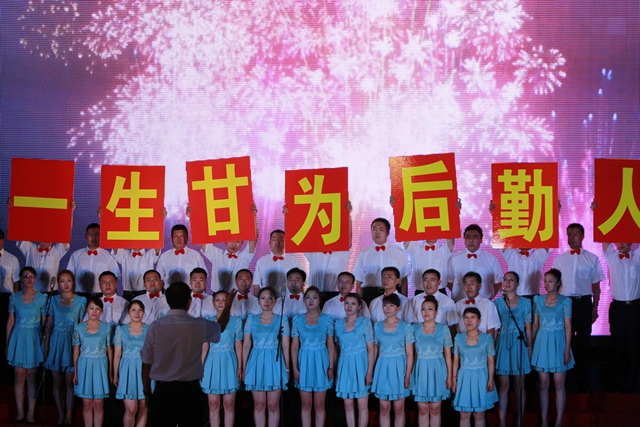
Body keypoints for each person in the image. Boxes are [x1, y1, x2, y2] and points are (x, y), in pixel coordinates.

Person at [140, 282, 234, 427]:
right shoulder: (198, 325)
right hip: (190, 391)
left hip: (163, 391)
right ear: (189, 302)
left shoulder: (155, 326)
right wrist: (228, 305)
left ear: (168, 301)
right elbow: (220, 326)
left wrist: (147, 393)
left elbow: (146, 364)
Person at [551, 223, 604, 392]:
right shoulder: (560, 259)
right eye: (569, 234)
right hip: (565, 303)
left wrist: (595, 308)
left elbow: (596, 287)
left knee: (584, 342)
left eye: (575, 234)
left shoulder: (592, 258)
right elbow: (554, 285)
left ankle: (583, 381)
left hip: (584, 303)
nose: (572, 237)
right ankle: (567, 380)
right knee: (566, 342)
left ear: (582, 237)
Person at [390, 196, 458, 296]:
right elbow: (405, 231)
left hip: (440, 293)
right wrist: (397, 208)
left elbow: (452, 232)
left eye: (434, 229)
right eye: (428, 228)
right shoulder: (415, 248)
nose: (431, 232)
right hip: (420, 293)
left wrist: (455, 211)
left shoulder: (444, 249)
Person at [44, 270, 87, 426]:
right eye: (62, 281)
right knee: (57, 382)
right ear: (58, 283)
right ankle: (60, 414)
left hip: (72, 341)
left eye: (69, 280)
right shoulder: (53, 300)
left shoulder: (81, 300)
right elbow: (49, 325)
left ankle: (69, 414)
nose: (66, 284)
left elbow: (81, 325)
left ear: (73, 282)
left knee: (70, 382)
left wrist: (80, 346)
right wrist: (46, 346)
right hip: (56, 341)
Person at [531, 269, 574, 427]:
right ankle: (544, 421)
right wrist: (532, 347)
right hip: (542, 342)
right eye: (545, 281)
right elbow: (535, 325)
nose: (547, 284)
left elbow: (568, 326)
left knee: (559, 383)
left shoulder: (565, 301)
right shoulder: (538, 300)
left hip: (558, 342)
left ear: (558, 283)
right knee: (543, 383)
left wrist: (567, 349)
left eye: (551, 281)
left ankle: (558, 421)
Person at [6, 266, 48, 424]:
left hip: (34, 337)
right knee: (19, 376)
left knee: (32, 376)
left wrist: (45, 341)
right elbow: (10, 321)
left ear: (35, 278)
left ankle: (30, 414)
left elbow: (45, 322)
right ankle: (19, 412)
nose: (29, 279)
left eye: (32, 276)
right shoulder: (14, 297)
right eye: (26, 276)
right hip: (18, 336)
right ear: (21, 279)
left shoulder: (42, 298)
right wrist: (8, 343)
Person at [242, 286, 290, 427]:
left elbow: (285, 345)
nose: (266, 301)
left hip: (275, 362)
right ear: (258, 301)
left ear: (275, 301)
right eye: (263, 298)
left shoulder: (282, 320)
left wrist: (287, 368)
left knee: (273, 405)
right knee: (259, 404)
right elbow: (246, 345)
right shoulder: (251, 319)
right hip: (256, 363)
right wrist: (244, 368)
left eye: (270, 298)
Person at [291, 286, 335, 427]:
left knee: (319, 405)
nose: (311, 300)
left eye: (314, 297)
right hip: (304, 362)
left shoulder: (327, 319)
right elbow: (294, 346)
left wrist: (331, 367)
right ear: (304, 300)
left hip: (322, 361)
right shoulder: (297, 319)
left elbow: (331, 344)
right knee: (306, 404)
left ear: (319, 300)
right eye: (308, 297)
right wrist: (295, 368)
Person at [494, 272, 533, 427]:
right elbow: (495, 328)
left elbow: (528, 329)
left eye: (511, 280)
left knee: (519, 386)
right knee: (503, 385)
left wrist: (529, 347)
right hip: (503, 342)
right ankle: (502, 421)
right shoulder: (497, 303)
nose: (507, 282)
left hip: (519, 343)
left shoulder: (526, 302)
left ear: (518, 283)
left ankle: (519, 421)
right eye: (505, 279)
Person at [601, 241, 640, 392]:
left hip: (635, 308)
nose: (621, 244)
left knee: (634, 347)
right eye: (618, 240)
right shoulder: (612, 257)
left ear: (631, 242)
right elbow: (605, 240)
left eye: (624, 240)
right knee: (617, 347)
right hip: (618, 308)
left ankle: (632, 384)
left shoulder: (636, 257)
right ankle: (618, 385)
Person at [371, 293, 415, 427]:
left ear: (398, 308)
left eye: (391, 305)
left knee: (399, 408)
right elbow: (375, 350)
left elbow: (410, 353)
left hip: (399, 368)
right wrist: (371, 372)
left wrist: (408, 375)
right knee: (384, 408)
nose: (388, 308)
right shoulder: (377, 326)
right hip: (382, 368)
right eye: (385, 305)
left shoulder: (406, 327)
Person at [201, 291, 244, 427]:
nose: (220, 303)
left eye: (224, 300)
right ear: (213, 303)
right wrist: (200, 366)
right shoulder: (207, 321)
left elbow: (238, 345)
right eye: (217, 300)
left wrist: (240, 366)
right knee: (213, 404)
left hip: (229, 362)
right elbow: (205, 346)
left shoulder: (236, 321)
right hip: (211, 362)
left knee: (229, 405)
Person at [193, 204, 258, 292]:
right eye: (231, 240)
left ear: (242, 243)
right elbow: (204, 240)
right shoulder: (217, 254)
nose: (233, 244)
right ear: (225, 241)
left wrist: (253, 217)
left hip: (236, 296)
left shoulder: (244, 257)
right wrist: (194, 216)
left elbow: (253, 239)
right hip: (217, 296)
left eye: (237, 242)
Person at [334, 293, 376, 427]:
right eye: (347, 303)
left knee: (362, 405)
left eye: (353, 303)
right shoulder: (338, 324)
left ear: (359, 307)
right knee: (348, 405)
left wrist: (369, 372)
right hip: (344, 366)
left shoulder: (365, 322)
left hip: (361, 365)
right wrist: (336, 372)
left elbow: (371, 349)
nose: (349, 306)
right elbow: (337, 349)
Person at [452, 307, 498, 427]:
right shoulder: (458, 338)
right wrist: (454, 379)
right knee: (464, 414)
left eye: (472, 317)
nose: (469, 320)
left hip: (481, 377)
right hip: (464, 377)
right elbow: (455, 361)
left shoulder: (487, 338)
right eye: (466, 318)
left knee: (479, 414)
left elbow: (491, 360)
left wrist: (490, 379)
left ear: (479, 320)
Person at [412, 295, 453, 427]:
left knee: (435, 409)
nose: (426, 312)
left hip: (438, 371)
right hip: (421, 371)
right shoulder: (414, 328)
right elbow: (410, 354)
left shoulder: (444, 329)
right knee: (422, 409)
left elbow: (448, 355)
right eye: (423, 309)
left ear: (436, 312)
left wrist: (450, 377)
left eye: (430, 309)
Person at [73, 297, 113, 427]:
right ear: (86, 310)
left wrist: (110, 372)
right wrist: (75, 372)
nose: (94, 311)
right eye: (91, 308)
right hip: (84, 366)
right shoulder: (79, 327)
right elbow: (76, 350)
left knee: (98, 403)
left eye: (97, 309)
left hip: (100, 366)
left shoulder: (106, 327)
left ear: (101, 311)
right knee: (86, 403)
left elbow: (109, 350)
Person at [354, 218, 408, 304]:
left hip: (392, 294)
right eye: (374, 229)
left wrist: (405, 301)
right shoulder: (363, 253)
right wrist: (358, 303)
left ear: (388, 233)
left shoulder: (399, 252)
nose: (377, 232)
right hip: (370, 294)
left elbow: (404, 280)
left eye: (381, 229)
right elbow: (359, 282)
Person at [112, 300, 148, 427]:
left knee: (143, 407)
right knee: (131, 409)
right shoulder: (121, 330)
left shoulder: (149, 329)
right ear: (128, 312)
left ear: (144, 313)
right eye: (133, 310)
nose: (137, 313)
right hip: (127, 371)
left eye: (140, 310)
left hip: (144, 370)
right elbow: (117, 354)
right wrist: (115, 375)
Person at [447, 224, 503, 301]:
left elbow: (498, 282)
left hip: (483, 303)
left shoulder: (491, 259)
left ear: (481, 239)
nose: (471, 240)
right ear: (464, 239)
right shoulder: (454, 258)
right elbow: (449, 282)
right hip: (459, 303)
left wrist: (487, 299)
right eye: (468, 237)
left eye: (475, 237)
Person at [66, 223, 120, 295]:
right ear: (86, 236)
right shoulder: (76, 255)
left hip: (101, 295)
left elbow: (115, 277)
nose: (94, 237)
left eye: (97, 234)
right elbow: (69, 276)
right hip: (80, 295)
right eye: (90, 234)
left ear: (101, 236)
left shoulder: (109, 256)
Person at [253, 229, 303, 297]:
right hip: (268, 301)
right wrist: (257, 302)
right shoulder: (261, 261)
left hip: (289, 300)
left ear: (285, 242)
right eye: (274, 239)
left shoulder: (294, 262)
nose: (277, 242)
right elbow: (257, 285)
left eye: (281, 240)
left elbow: (301, 284)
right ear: (269, 242)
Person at [410, 269, 458, 335]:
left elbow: (452, 325)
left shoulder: (448, 301)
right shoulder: (415, 300)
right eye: (426, 280)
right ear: (422, 282)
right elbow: (411, 323)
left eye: (432, 280)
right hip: (419, 336)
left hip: (440, 337)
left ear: (439, 282)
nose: (428, 283)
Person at [0, 228, 21, 378]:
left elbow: (16, 283)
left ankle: (5, 373)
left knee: (5, 333)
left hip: (5, 299)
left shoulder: (12, 259)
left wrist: (16, 303)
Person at [454, 272, 500, 338]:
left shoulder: (489, 304)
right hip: (462, 342)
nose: (469, 287)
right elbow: (455, 329)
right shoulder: (458, 305)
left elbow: (491, 329)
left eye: (472, 284)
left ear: (479, 285)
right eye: (466, 284)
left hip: (482, 342)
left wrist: (489, 344)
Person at [92, 271, 129, 336]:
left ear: (116, 284)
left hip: (119, 337)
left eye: (111, 282)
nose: (108, 285)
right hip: (98, 336)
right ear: (99, 285)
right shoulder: (93, 304)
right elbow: (87, 322)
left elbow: (128, 324)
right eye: (104, 282)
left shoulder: (125, 303)